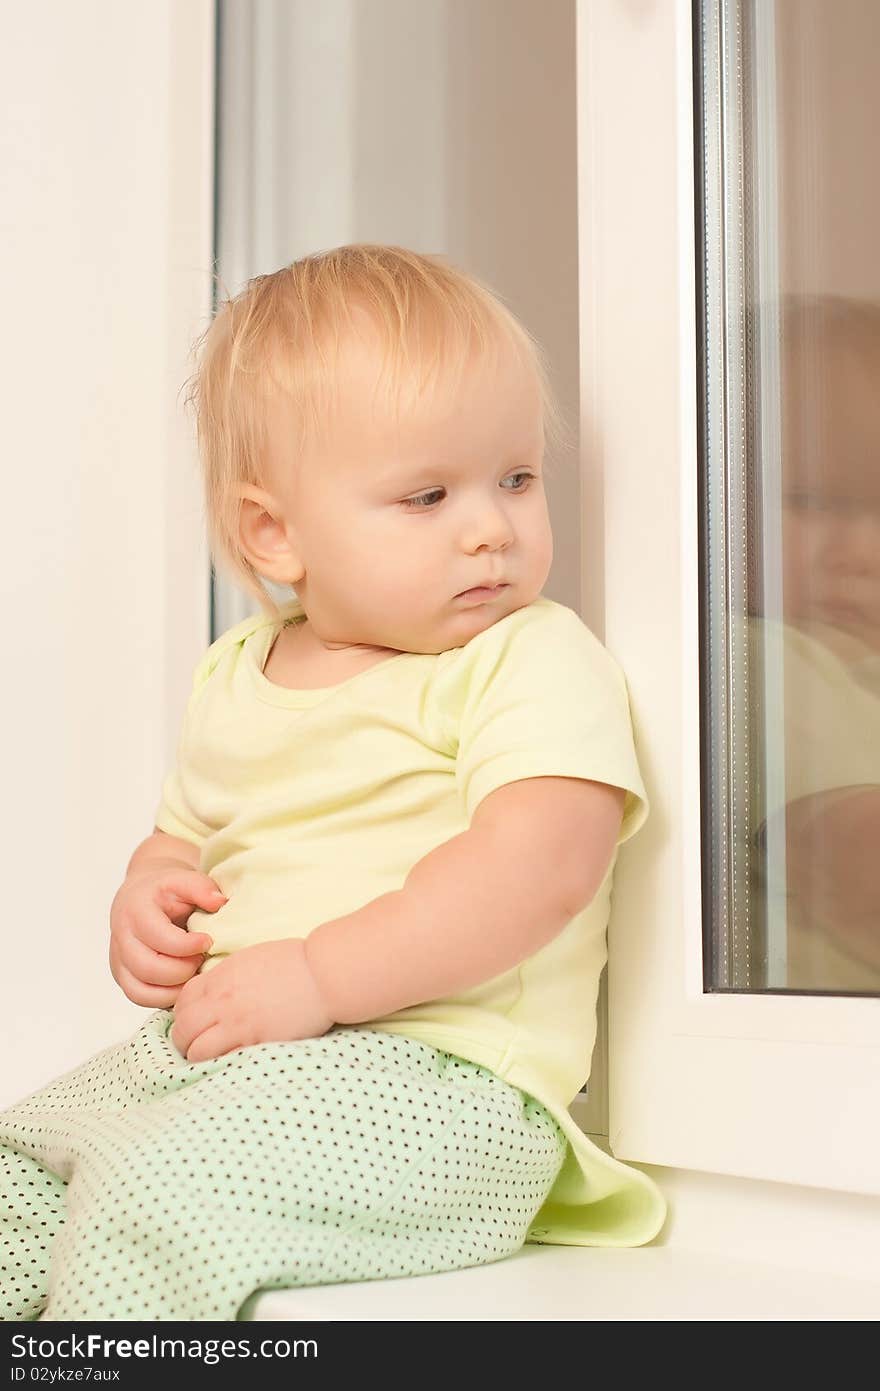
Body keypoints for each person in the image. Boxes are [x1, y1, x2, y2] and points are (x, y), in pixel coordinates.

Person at [0, 245, 666, 1322]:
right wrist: (149, 892)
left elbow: (541, 863)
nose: (491, 524)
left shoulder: (525, 655)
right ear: (275, 532)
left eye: (516, 477)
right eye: (426, 494)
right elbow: (186, 835)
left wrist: (317, 974)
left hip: (441, 1090)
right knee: (18, 1174)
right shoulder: (236, 671)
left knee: (161, 1194)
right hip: (222, 1068)